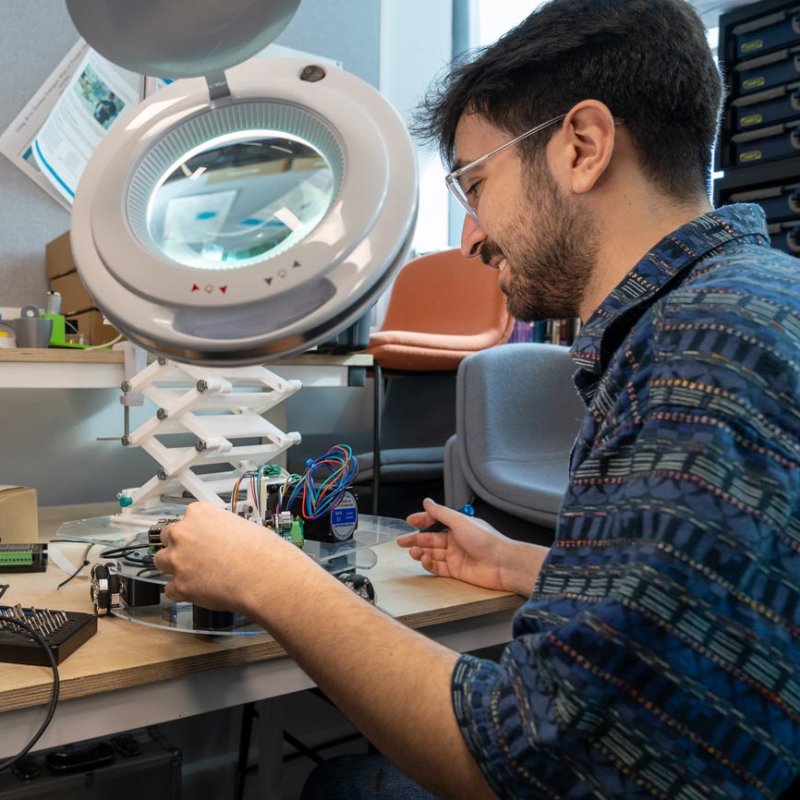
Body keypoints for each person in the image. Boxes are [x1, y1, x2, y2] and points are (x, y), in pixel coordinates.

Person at [153, 0, 800, 796]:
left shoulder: (702, 351)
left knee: (347, 788)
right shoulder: (744, 307)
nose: (469, 238)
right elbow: (723, 618)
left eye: (477, 182)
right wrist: (537, 566)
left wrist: (268, 577)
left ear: (584, 147)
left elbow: (538, 763)